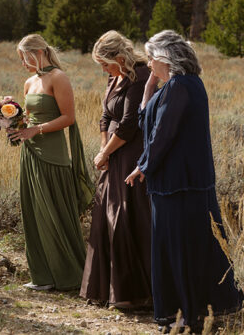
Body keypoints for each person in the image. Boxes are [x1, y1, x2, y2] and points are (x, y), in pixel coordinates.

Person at [126, 30, 244, 333]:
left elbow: (162, 134)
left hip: (179, 184)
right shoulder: (181, 85)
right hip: (181, 182)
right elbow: (146, 121)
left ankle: (187, 315)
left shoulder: (180, 86)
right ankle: (192, 312)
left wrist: (144, 165)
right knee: (189, 246)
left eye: (151, 57)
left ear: (165, 58)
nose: (148, 63)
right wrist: (150, 85)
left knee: (180, 248)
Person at [8, 34, 94, 291]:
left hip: (53, 154)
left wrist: (38, 130)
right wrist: (8, 120)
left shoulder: (58, 77)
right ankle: (42, 275)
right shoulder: (29, 82)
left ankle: (68, 274)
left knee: (54, 212)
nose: (23, 63)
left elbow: (68, 117)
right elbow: (28, 119)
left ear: (38, 52)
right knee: (34, 212)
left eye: (25, 57)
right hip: (30, 153)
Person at [80, 31, 153, 308]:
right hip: (112, 153)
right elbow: (106, 116)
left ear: (120, 58)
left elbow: (128, 124)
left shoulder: (141, 76)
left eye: (105, 64)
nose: (103, 70)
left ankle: (136, 293)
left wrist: (106, 151)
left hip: (130, 153)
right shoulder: (115, 77)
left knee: (126, 217)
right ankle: (106, 290)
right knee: (105, 218)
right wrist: (103, 150)